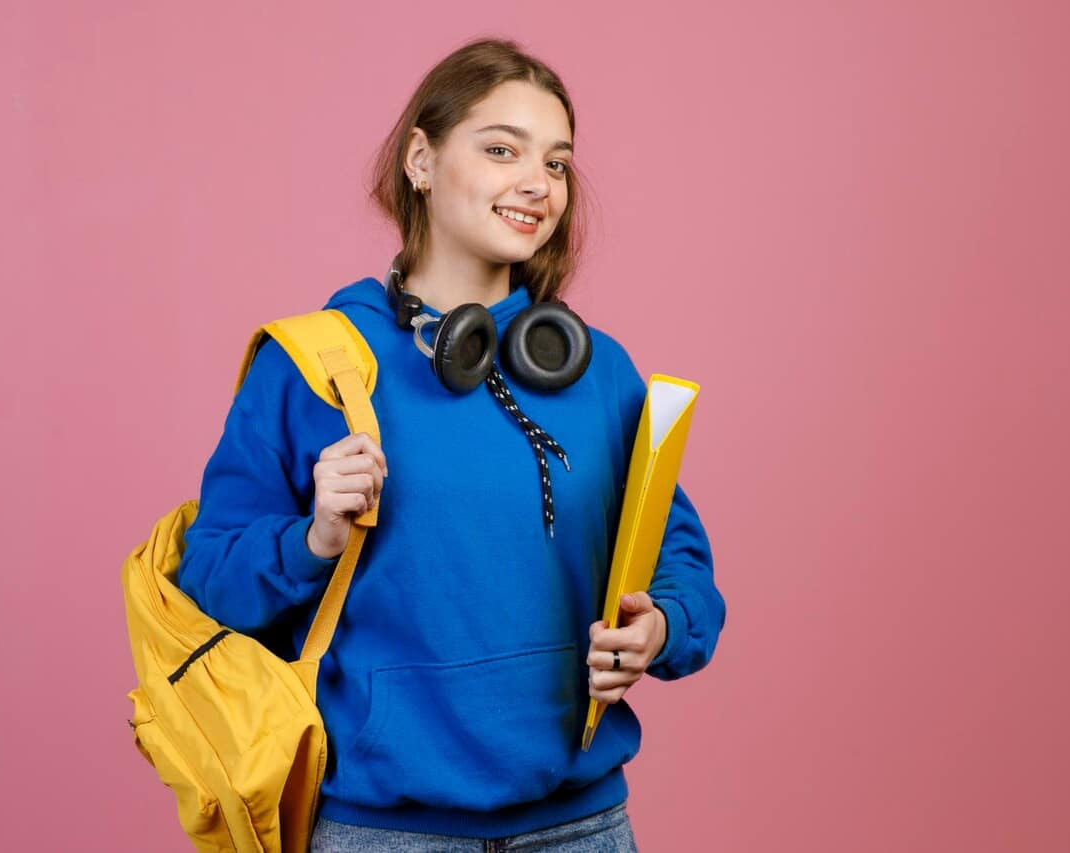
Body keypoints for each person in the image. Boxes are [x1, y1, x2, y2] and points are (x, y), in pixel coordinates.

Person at [177, 37, 726, 851]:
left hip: (581, 826)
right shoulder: (314, 365)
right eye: (502, 149)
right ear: (421, 161)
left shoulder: (599, 370)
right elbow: (211, 578)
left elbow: (680, 561)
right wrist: (315, 537)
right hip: (382, 831)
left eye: (558, 163)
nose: (537, 184)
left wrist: (661, 625)